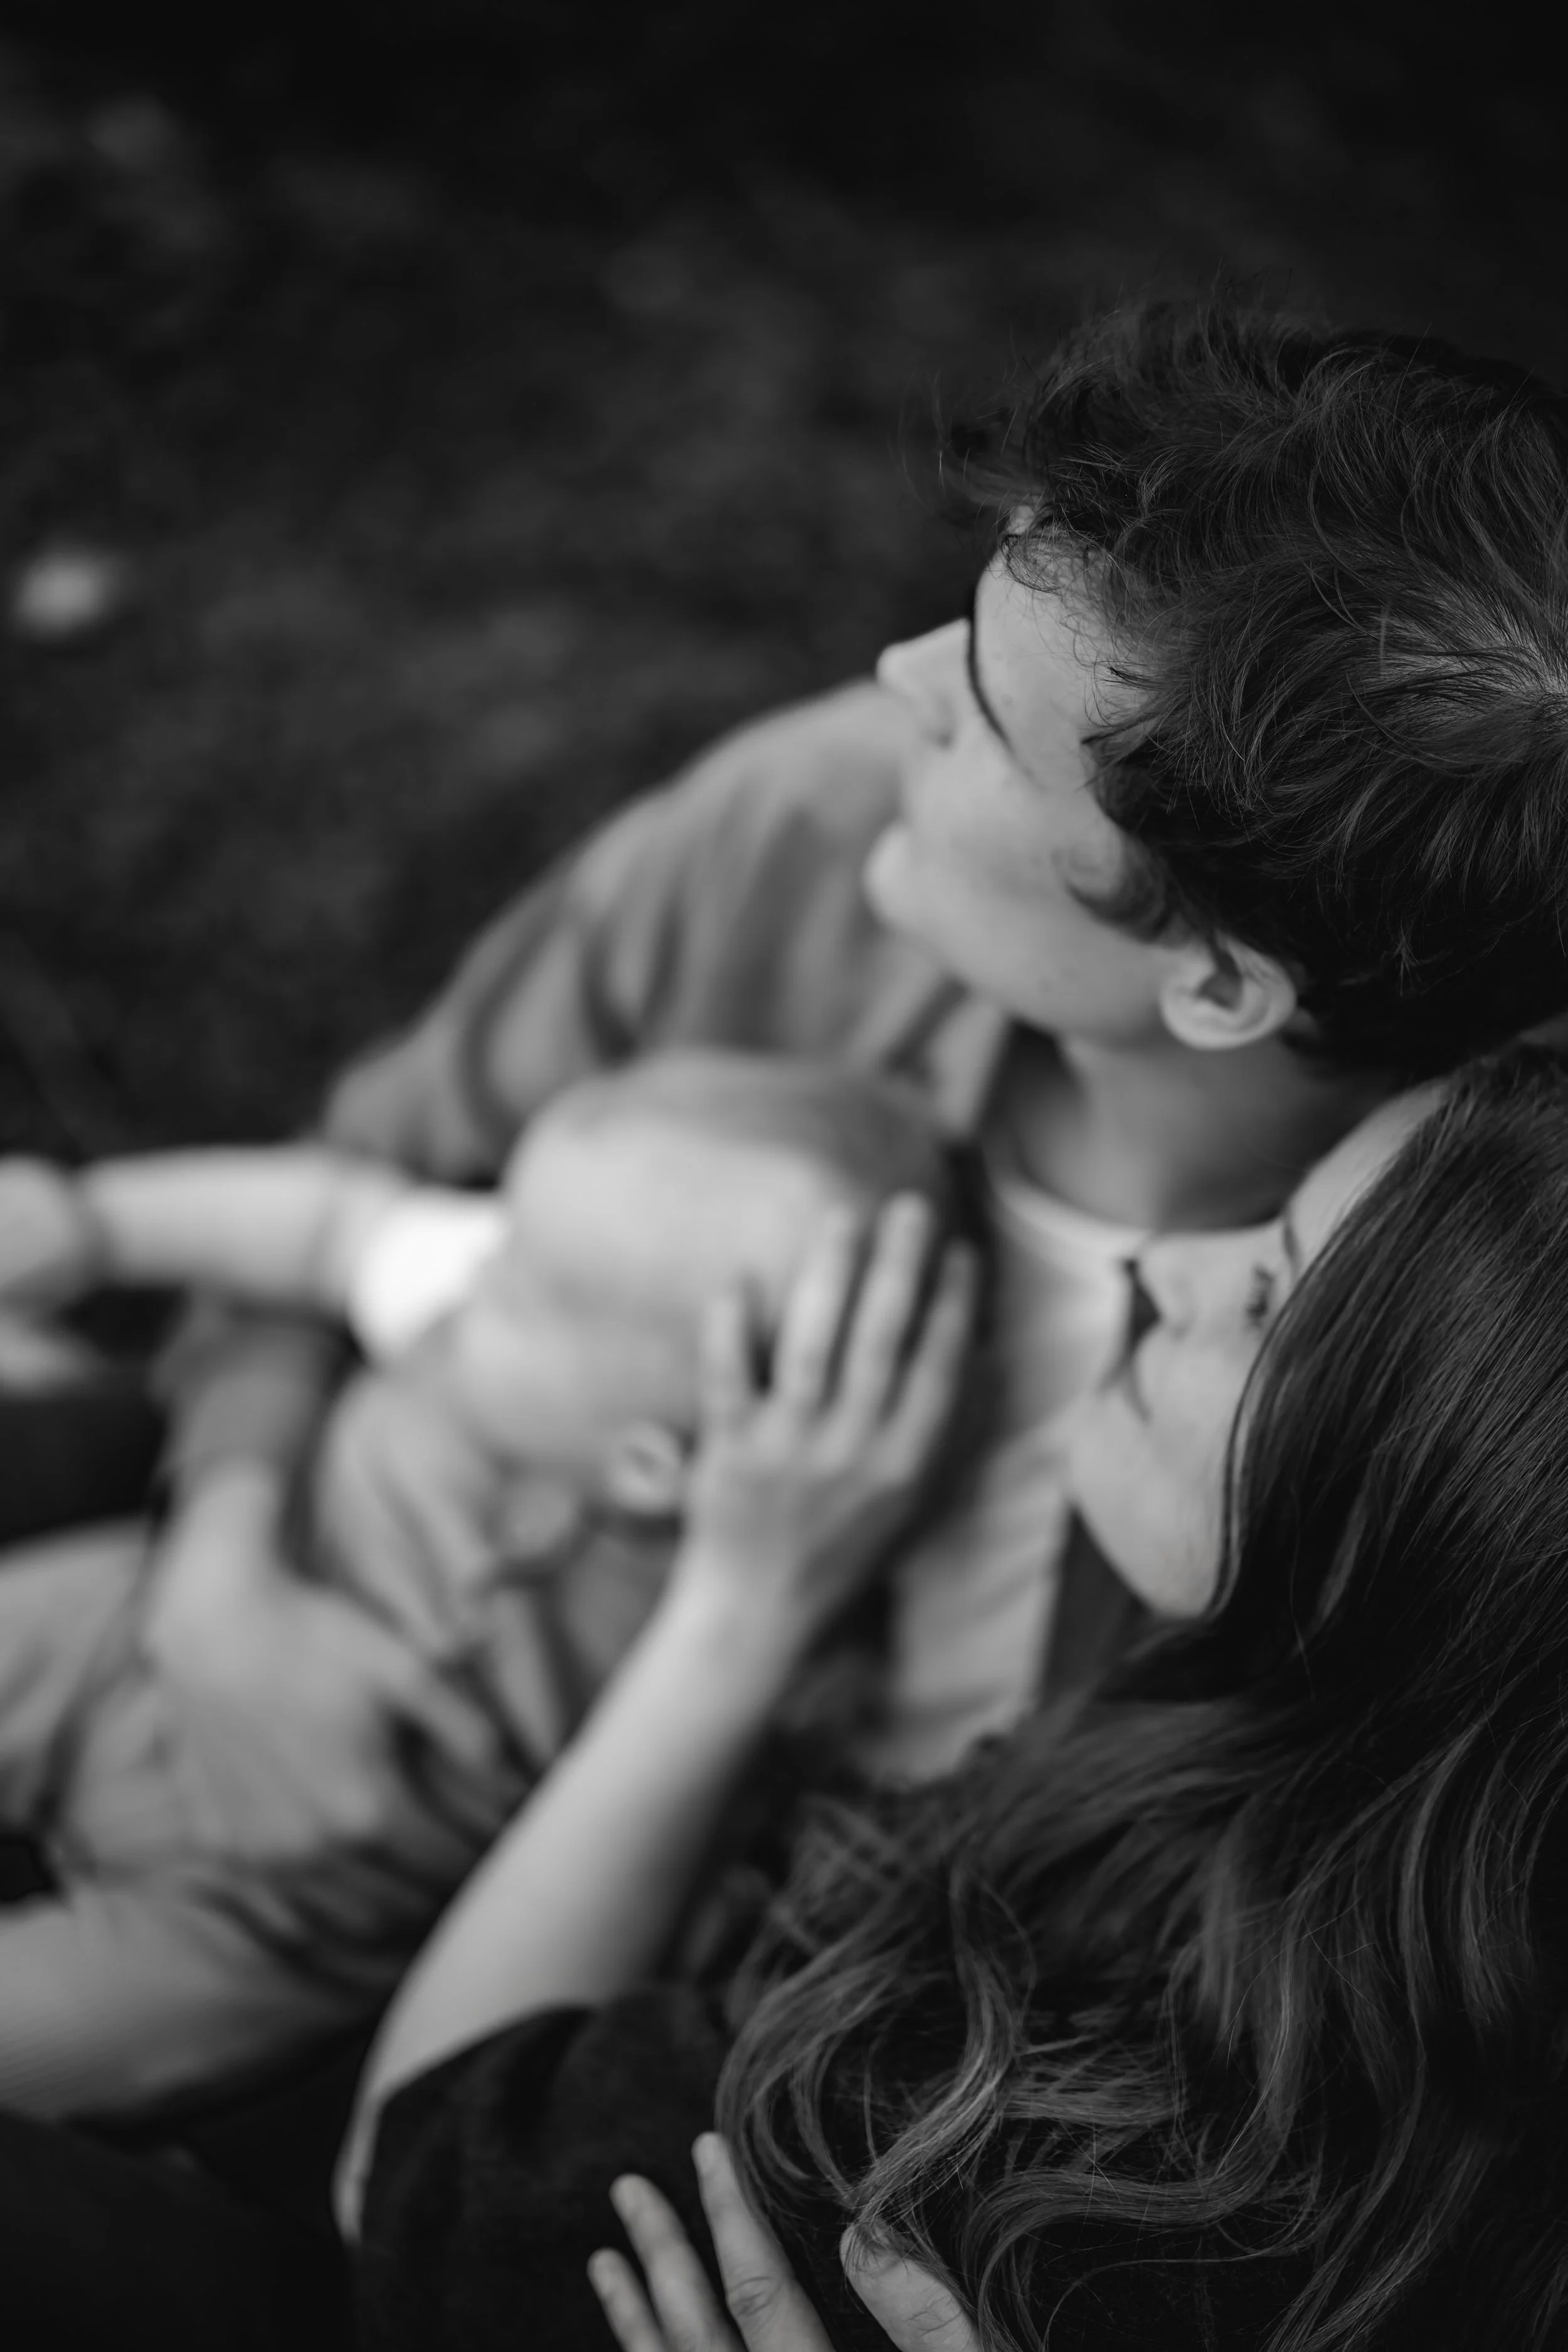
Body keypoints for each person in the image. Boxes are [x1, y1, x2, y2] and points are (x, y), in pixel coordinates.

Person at [121, 297, 1568, 1903]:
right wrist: (220, 1587)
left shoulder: (1464, 1368)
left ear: (1218, 982)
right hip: (289, 1584)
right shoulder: (806, 833)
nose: (897, 677)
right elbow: (361, 1178)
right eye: (963, 629)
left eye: (995, 728)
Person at [349, 1050, 1568, 2352]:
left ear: (1421, 1523)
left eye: (1263, 1298)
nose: (1157, 1269)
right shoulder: (1355, 1848)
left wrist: (738, 1611)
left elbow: (413, 2170)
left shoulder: (974, 2160)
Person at [0, 1051, 960, 2119]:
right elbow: (328, 1223)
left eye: (514, 1278)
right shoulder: (498, 1305)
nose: (468, 1262)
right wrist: (89, 1222)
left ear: (649, 1464)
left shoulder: (737, 1622)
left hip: (279, 1924)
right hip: (125, 1632)